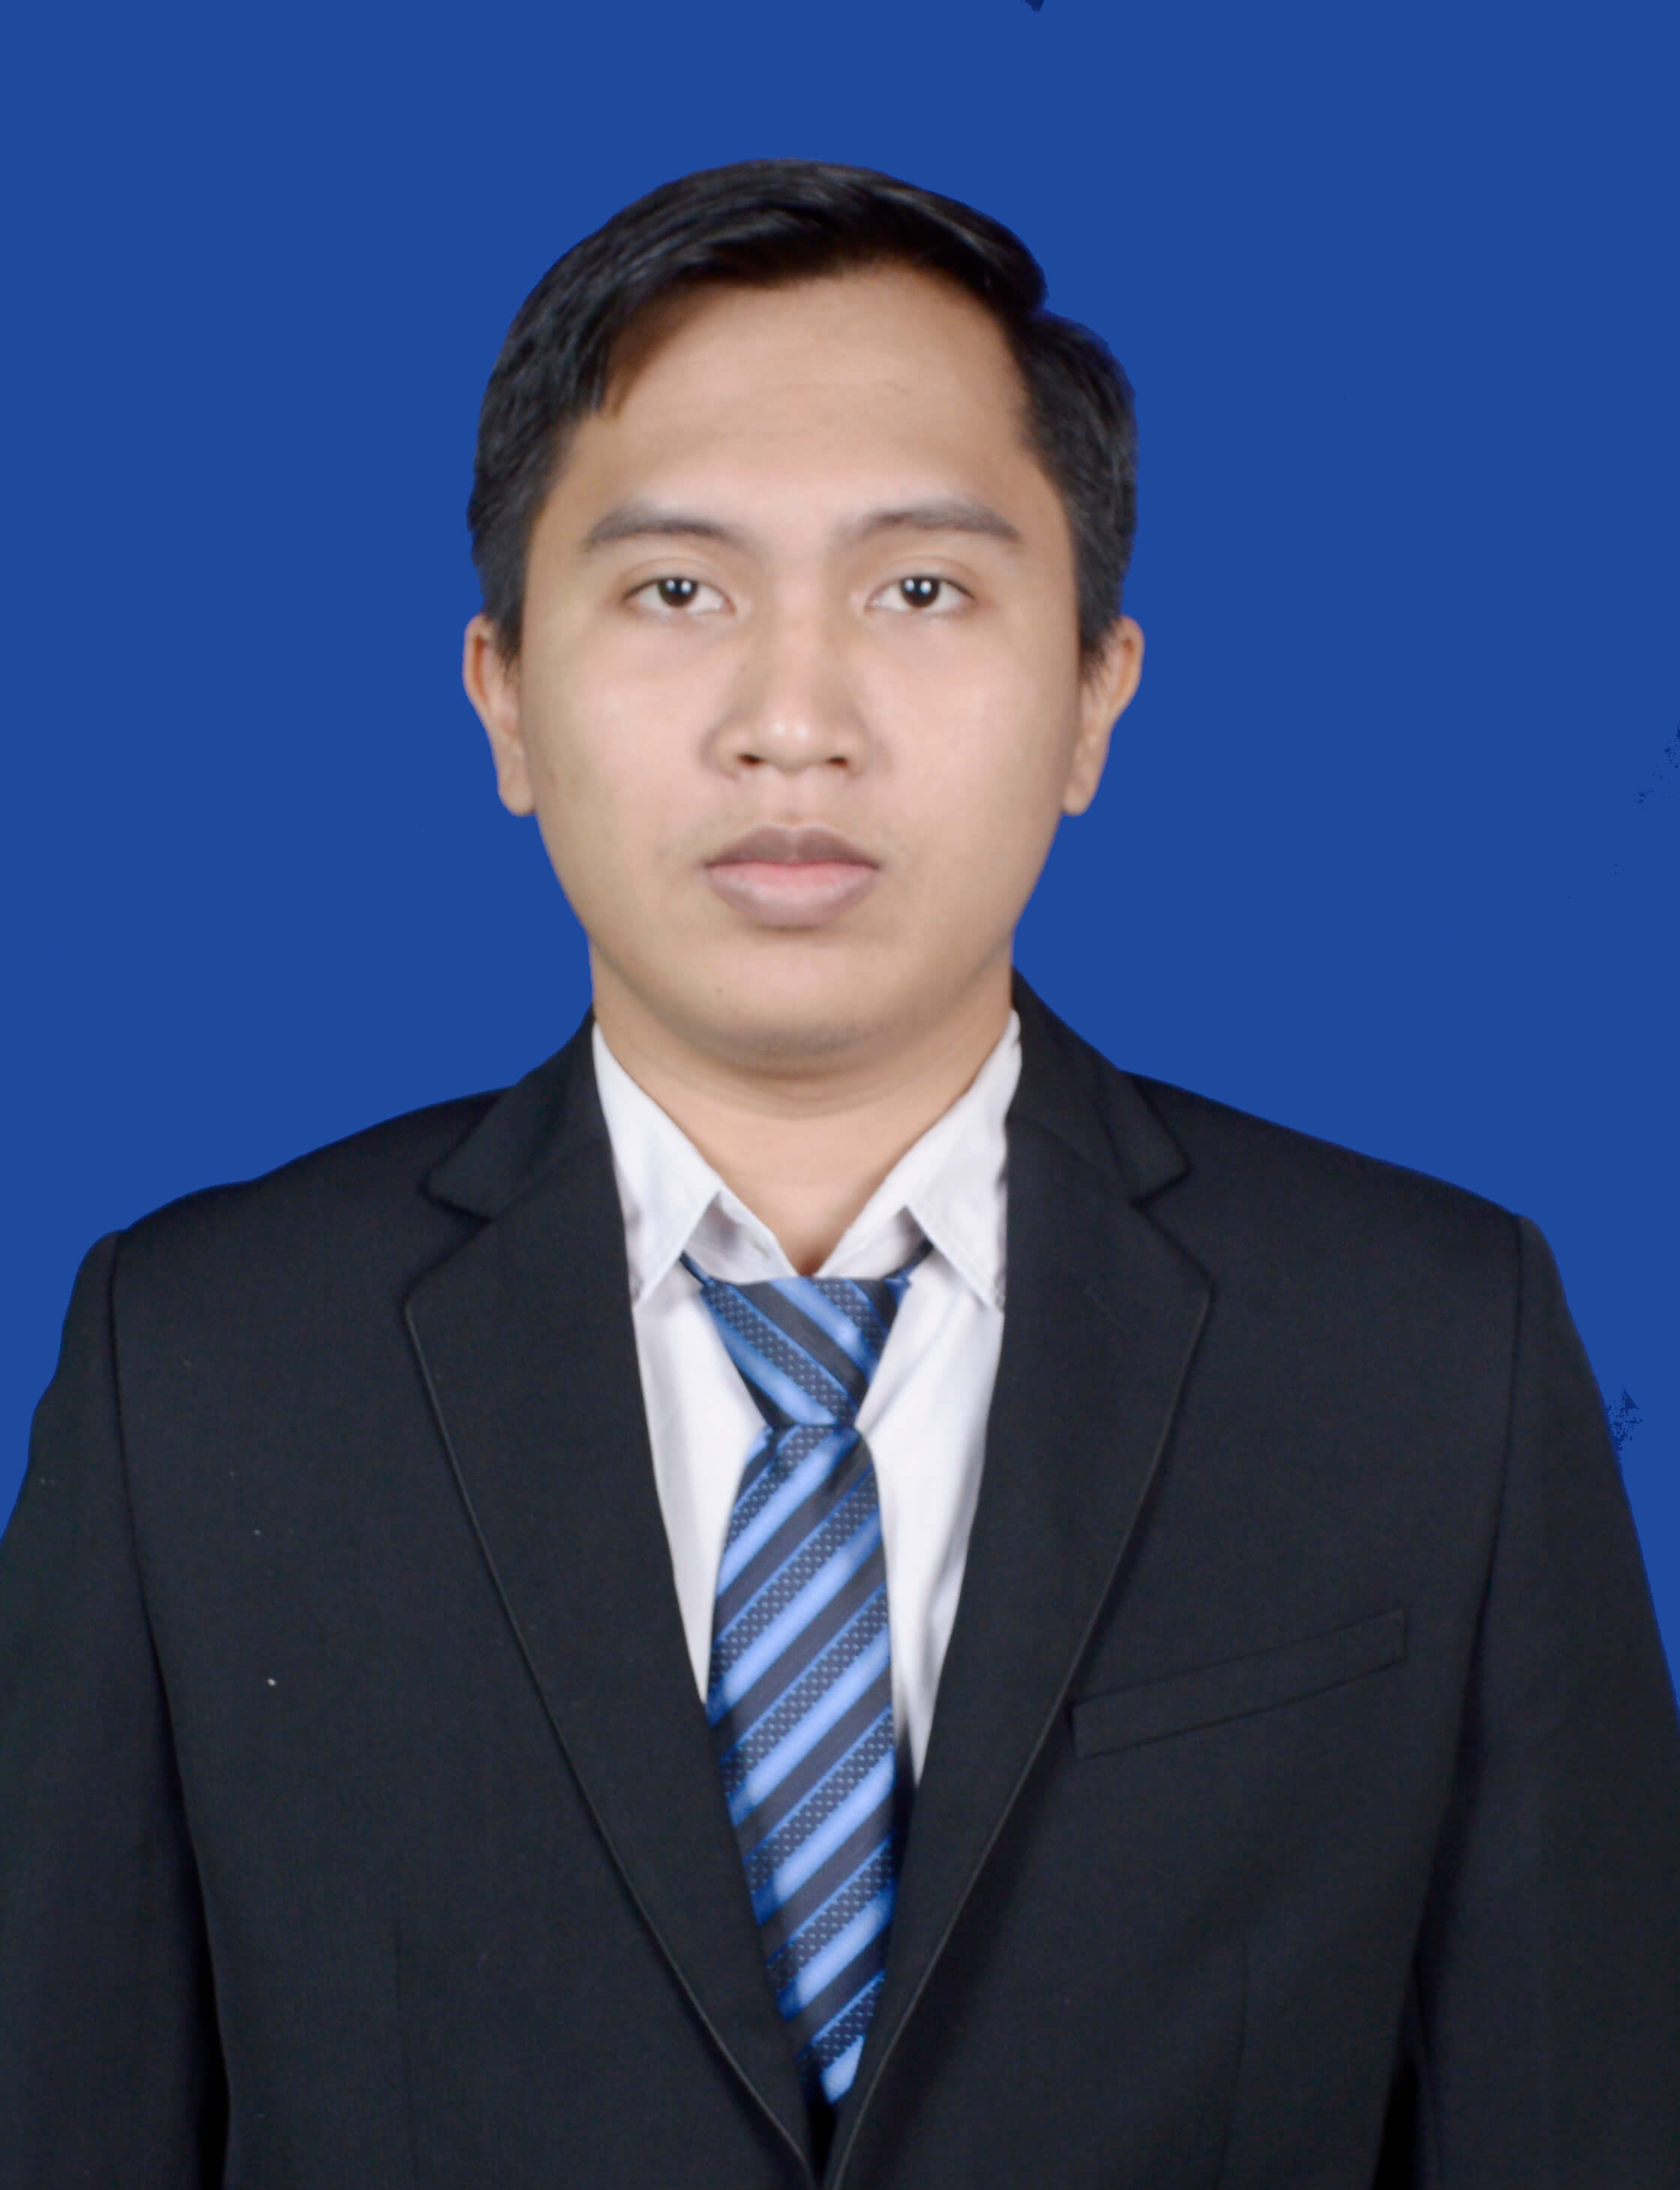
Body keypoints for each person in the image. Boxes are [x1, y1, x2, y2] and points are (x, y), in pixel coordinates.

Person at [2, 158, 1676, 2189]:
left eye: (921, 591)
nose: (793, 724)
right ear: (505, 697)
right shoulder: (200, 1371)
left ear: (1095, 697)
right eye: (676, 591)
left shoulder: (1431, 1353)